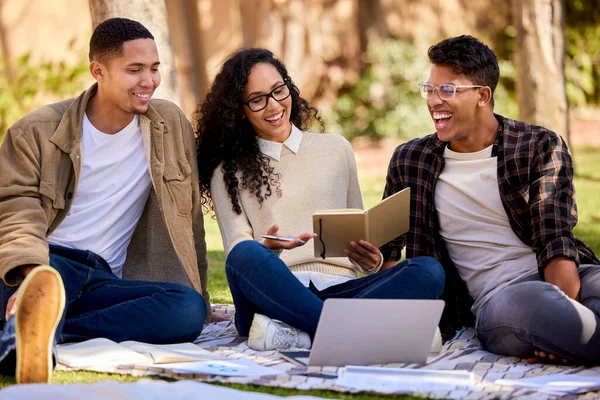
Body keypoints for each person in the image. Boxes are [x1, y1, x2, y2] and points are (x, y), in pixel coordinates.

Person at [0, 18, 211, 384]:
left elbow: (190, 217)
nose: (149, 81)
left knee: (186, 310)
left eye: (155, 68)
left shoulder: (169, 125)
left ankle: (37, 331)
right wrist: (30, 273)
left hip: (101, 280)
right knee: (39, 283)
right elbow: (16, 208)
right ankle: (33, 319)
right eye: (135, 70)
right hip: (44, 264)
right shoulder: (36, 131)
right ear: (98, 70)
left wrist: (203, 295)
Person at [195, 48, 445, 351]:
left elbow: (358, 232)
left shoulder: (336, 149)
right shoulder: (227, 171)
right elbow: (239, 257)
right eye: (258, 99)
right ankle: (367, 332)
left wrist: (373, 259)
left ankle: (304, 332)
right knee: (246, 254)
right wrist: (268, 251)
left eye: (278, 91)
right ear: (240, 109)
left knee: (428, 272)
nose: (273, 105)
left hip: (345, 291)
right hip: (275, 296)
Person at [381, 34, 600, 364]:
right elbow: (388, 253)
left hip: (565, 277)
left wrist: (566, 319)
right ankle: (575, 336)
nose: (433, 100)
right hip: (501, 300)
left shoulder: (538, 145)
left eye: (447, 90)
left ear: (483, 95)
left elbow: (554, 238)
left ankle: (574, 340)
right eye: (429, 89)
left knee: (572, 304)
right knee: (537, 305)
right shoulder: (411, 160)